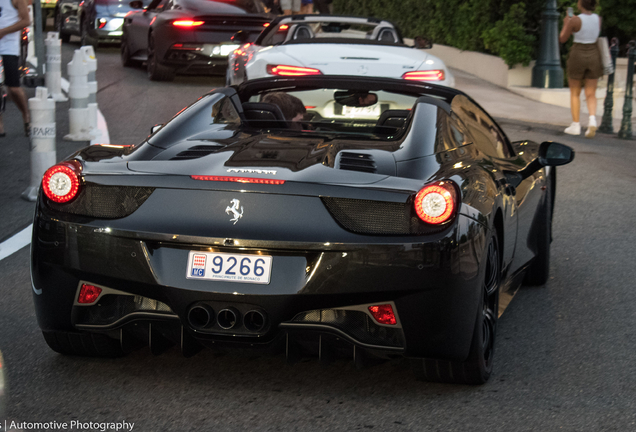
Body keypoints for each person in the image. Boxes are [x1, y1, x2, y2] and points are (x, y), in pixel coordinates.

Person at [559, 0, 602, 138]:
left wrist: (567, 22)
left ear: (580, 4)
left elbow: (562, 38)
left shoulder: (575, 20)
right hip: (594, 54)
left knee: (575, 92)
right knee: (591, 92)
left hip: (578, 53)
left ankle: (576, 125)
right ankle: (592, 120)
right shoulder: (597, 19)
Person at [0, 0, 31, 137]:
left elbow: (26, 21)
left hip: (9, 48)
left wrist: (3, 31)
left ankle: (26, 114)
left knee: (13, 88)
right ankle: (0, 125)